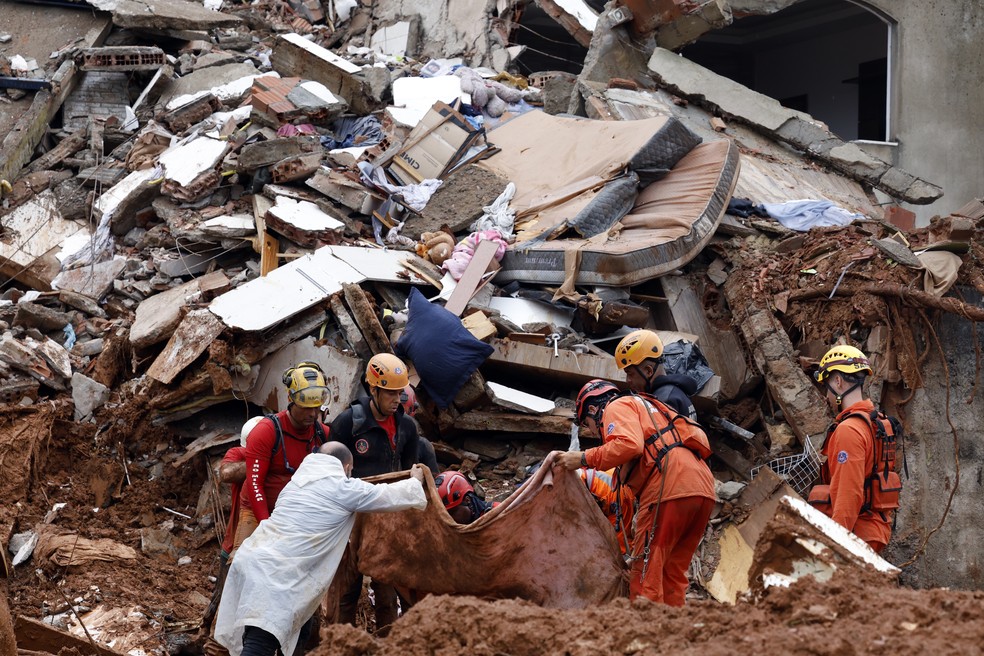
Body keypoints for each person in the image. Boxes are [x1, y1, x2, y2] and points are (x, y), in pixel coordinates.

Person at [214, 443, 428, 656]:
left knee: (301, 628)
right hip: (277, 578)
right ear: (346, 468)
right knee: (260, 643)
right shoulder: (341, 488)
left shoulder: (295, 484)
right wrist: (415, 480)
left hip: (256, 561)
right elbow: (387, 495)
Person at [553, 379, 715, 606]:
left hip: (670, 484)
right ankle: (674, 634)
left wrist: (582, 458)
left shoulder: (615, 406)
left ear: (592, 409)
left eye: (587, 423)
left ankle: (641, 635)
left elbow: (628, 446)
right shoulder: (647, 407)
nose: (592, 430)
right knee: (673, 573)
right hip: (702, 487)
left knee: (645, 572)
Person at [331, 353, 419, 634]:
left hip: (389, 518)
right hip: (352, 519)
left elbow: (410, 474)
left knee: (387, 590)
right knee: (347, 590)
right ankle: (341, 645)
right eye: (390, 393)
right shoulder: (348, 425)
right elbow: (329, 474)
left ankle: (389, 644)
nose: (397, 399)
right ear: (373, 389)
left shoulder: (407, 427)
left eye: (400, 392)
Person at [808, 345, 901, 553]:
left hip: (856, 535)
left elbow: (848, 495)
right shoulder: (876, 422)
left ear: (838, 381)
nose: (826, 396)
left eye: (827, 386)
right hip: (873, 532)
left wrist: (835, 547)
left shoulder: (848, 430)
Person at [234, 363, 330, 550]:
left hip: (298, 514)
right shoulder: (266, 432)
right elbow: (255, 484)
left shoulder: (322, 434)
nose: (312, 414)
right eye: (305, 408)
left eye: (316, 408)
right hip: (259, 510)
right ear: (291, 399)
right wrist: (266, 525)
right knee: (240, 560)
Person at [615, 329, 697, 420]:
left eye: (630, 374)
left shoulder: (664, 402)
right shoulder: (674, 392)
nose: (628, 380)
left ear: (648, 371)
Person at [578, 467, 634, 556]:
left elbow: (620, 538)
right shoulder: (581, 482)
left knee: (621, 549)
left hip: (621, 500)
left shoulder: (611, 496)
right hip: (606, 494)